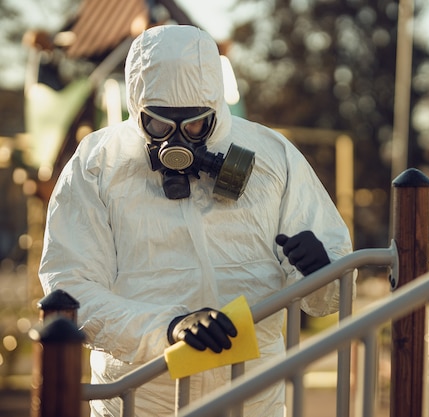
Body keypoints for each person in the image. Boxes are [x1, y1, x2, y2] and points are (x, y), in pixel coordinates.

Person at [38, 25, 354, 417]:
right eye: (158, 124)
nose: (177, 143)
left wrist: (320, 269)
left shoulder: (272, 158)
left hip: (251, 399)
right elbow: (70, 290)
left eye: (194, 125)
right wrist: (167, 330)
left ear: (217, 109)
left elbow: (332, 295)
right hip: (140, 401)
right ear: (137, 110)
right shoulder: (98, 164)